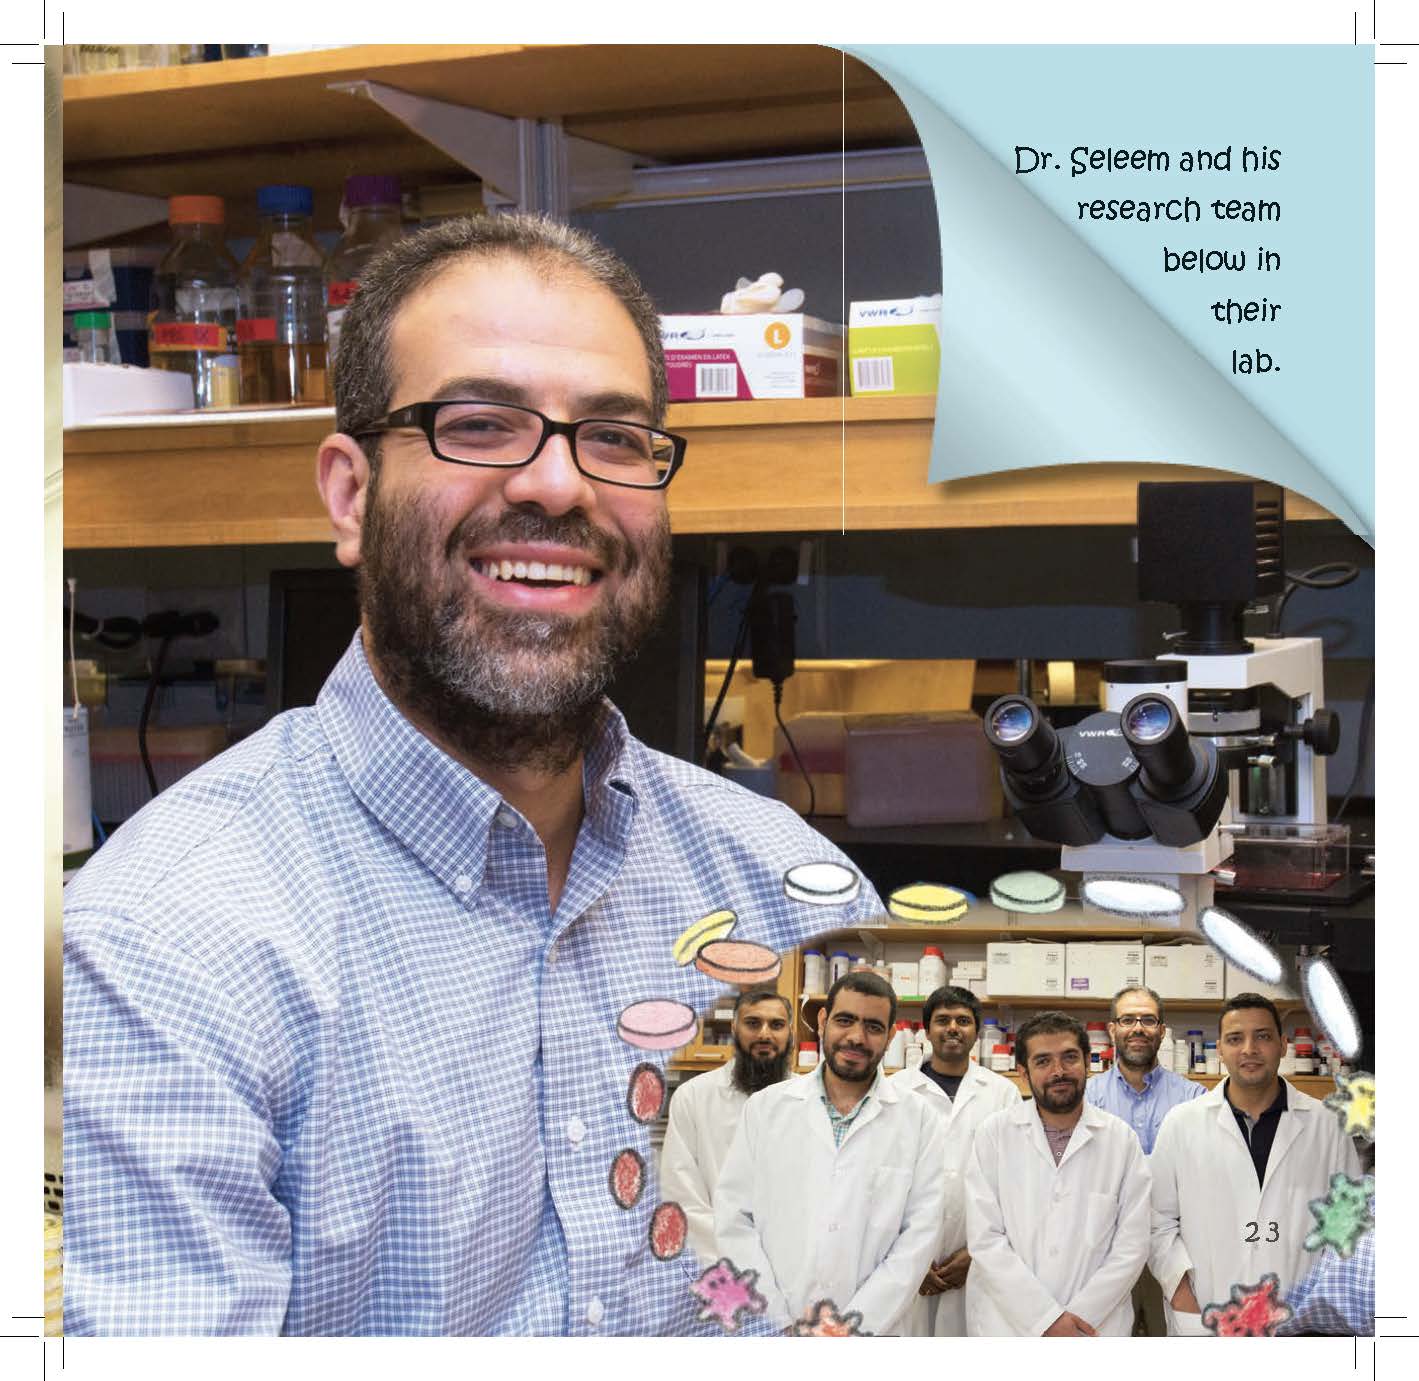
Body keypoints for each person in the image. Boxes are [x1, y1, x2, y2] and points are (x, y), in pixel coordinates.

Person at [61, 213, 885, 1337]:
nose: (558, 485)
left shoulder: (783, 880)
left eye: (614, 437)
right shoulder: (174, 939)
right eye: (481, 423)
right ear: (350, 495)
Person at [713, 972, 949, 1335]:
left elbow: (919, 1238)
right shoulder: (766, 1109)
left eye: (873, 1026)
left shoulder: (920, 1120)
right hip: (778, 1325)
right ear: (822, 1022)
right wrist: (776, 1320)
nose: (856, 1037)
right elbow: (735, 1220)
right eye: (844, 1020)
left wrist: (848, 1329)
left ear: (890, 1036)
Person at [1148, 992, 1363, 1337]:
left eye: (1262, 1036)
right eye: (1235, 1038)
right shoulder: (1181, 1123)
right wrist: (1181, 1294)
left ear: (1283, 1044)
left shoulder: (1326, 1124)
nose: (1249, 1048)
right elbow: (1156, 1222)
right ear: (1220, 1048)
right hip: (1208, 1313)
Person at [964, 1010, 1151, 1336]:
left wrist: (1078, 1318)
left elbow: (1132, 1246)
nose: (1059, 1071)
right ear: (1023, 1072)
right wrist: (1045, 1319)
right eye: (1043, 1061)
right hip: (1010, 1326)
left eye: (1069, 1058)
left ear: (1088, 1063)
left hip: (1094, 1325)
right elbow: (985, 1239)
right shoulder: (993, 1135)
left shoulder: (1121, 1141)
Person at [893, 984, 1018, 1337]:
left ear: (977, 1032)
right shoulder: (896, 1091)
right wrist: (910, 1259)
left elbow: (1012, 1182)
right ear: (926, 1029)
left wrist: (977, 1252)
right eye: (942, 1020)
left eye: (963, 1020)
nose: (952, 1028)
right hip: (905, 1261)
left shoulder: (1001, 1093)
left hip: (977, 1258)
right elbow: (879, 1180)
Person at [1085, 983, 1204, 1335]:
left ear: (1162, 1031)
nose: (1138, 1028)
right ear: (1112, 1029)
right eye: (1127, 1020)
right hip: (1103, 1251)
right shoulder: (1087, 1097)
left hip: (1173, 1248)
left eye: (1148, 1020)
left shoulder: (1194, 1098)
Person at [658, 987, 793, 1263]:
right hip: (718, 1269)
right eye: (753, 1023)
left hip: (792, 1271)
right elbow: (683, 1199)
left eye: (776, 1025)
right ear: (734, 1027)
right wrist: (737, 1263)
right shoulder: (694, 1097)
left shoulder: (812, 1099)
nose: (765, 1034)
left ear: (790, 1032)